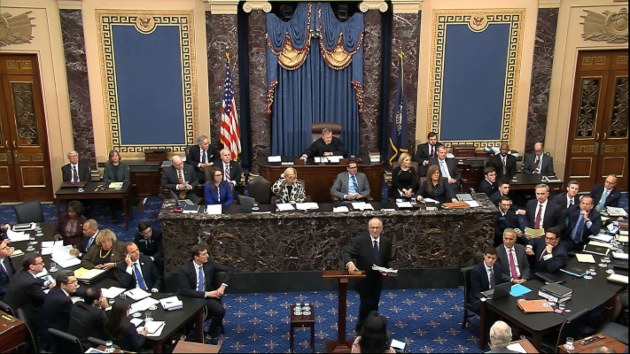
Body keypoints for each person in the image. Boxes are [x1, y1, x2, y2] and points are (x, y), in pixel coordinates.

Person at [342, 218, 393, 332]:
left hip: (378, 279)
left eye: (377, 228)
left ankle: (373, 327)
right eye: (372, 228)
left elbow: (387, 259)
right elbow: (346, 252)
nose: (375, 230)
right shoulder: (360, 241)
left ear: (381, 229)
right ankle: (360, 329)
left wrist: (387, 269)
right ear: (368, 228)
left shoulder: (386, 241)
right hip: (363, 279)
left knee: (374, 304)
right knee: (366, 304)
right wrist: (350, 263)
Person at [178, 244, 233, 344]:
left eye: (207, 253)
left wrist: (223, 286)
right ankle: (184, 336)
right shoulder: (185, 270)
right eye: (204, 254)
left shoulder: (209, 263)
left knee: (220, 311)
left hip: (208, 297)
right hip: (192, 297)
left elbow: (229, 269)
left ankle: (210, 334)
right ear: (196, 257)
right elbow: (185, 291)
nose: (207, 256)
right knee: (189, 318)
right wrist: (207, 294)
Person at [4, 253, 55, 342]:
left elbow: (34, 279)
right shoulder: (30, 283)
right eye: (41, 263)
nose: (43, 264)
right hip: (24, 312)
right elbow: (45, 299)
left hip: (12, 305)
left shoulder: (22, 271)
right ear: (32, 267)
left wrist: (47, 283)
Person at [469, 247, 502, 313]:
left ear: (496, 258)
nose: (490, 260)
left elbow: (498, 285)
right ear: (484, 256)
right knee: (492, 311)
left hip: (493, 296)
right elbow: (477, 292)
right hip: (478, 298)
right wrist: (489, 299)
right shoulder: (476, 271)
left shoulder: (498, 268)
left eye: (493, 258)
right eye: (488, 257)